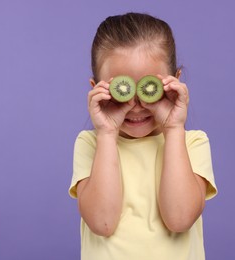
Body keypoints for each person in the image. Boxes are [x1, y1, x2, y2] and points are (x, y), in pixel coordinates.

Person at [69, 12, 217, 260]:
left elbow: (179, 219)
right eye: (122, 91)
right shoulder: (91, 143)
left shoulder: (192, 143)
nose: (136, 105)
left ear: (175, 83)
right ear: (97, 89)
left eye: (149, 89)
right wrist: (106, 133)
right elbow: (102, 222)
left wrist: (173, 129)